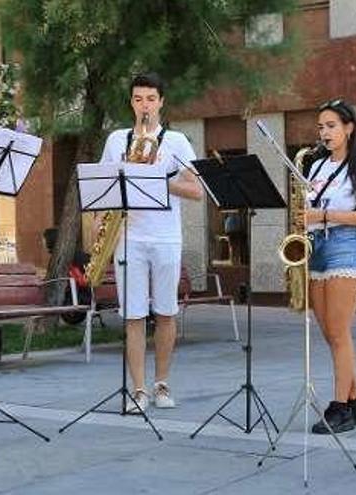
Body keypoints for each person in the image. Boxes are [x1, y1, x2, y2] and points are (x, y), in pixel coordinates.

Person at [97, 73, 203, 414]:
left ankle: (162, 383)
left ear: (161, 102)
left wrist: (160, 179)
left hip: (166, 237)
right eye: (139, 99)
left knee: (166, 312)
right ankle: (138, 390)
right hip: (129, 238)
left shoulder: (176, 141)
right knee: (133, 316)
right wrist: (100, 221)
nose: (145, 105)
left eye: (151, 99)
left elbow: (198, 191)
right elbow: (103, 187)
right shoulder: (117, 139)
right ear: (132, 103)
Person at [305, 99, 356, 434]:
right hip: (316, 246)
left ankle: (340, 409)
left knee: (338, 332)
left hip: (345, 245)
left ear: (349, 128)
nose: (324, 132)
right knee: (331, 333)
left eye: (331, 126)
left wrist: (323, 215)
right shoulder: (316, 167)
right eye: (321, 127)